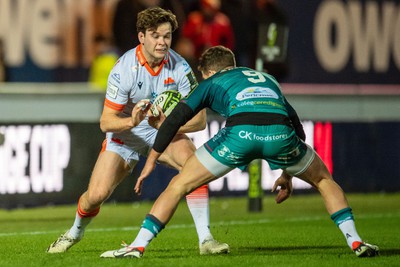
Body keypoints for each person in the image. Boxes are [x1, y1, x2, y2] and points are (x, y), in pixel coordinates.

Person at [100, 45, 379, 258]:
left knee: (179, 185)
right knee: (324, 180)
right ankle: (355, 240)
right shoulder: (266, 79)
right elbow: (296, 126)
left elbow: (175, 120)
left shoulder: (210, 83)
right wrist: (288, 173)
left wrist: (150, 162)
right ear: (232, 66)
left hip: (239, 135)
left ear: (208, 72)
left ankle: (137, 246)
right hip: (281, 133)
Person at [46, 7, 229, 256]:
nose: (162, 42)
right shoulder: (123, 69)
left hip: (161, 129)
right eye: (156, 35)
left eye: (167, 36)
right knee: (96, 195)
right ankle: (74, 232)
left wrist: (166, 125)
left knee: (193, 167)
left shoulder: (180, 67)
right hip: (126, 134)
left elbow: (199, 121)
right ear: (141, 37)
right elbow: (106, 122)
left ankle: (206, 240)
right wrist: (132, 121)